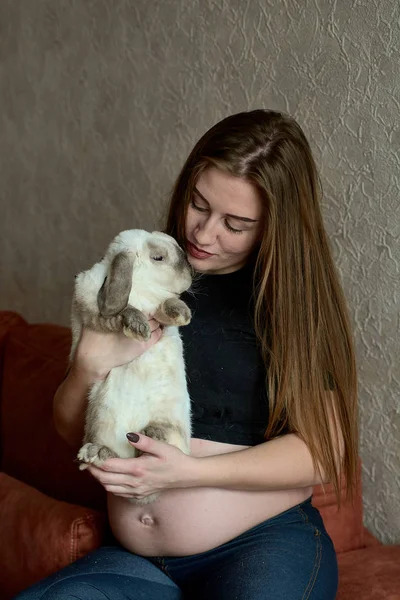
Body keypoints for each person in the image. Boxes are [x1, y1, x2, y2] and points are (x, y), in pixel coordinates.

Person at [15, 109, 358, 600]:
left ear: (274, 227)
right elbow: (73, 430)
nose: (203, 233)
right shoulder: (145, 273)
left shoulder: (293, 307)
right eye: (199, 204)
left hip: (262, 544)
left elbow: (324, 452)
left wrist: (189, 473)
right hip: (137, 559)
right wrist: (88, 366)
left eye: (235, 224)